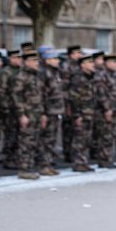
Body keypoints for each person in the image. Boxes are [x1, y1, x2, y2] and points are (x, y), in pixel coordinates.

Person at [11, 49, 44, 180]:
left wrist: (42, 113)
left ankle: (29, 166)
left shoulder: (35, 75)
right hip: (27, 114)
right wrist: (21, 115)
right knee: (25, 142)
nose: (37, 63)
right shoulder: (21, 76)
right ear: (28, 62)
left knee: (33, 141)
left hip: (36, 114)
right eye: (34, 61)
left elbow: (39, 97)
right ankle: (24, 169)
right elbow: (16, 97)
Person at [67, 54, 97, 172]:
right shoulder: (78, 78)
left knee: (86, 139)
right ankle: (78, 163)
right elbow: (74, 99)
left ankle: (83, 161)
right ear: (83, 65)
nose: (92, 65)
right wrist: (77, 115)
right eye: (89, 63)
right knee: (79, 139)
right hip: (82, 113)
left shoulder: (90, 77)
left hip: (89, 112)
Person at [38, 48, 65, 176]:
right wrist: (43, 113)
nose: (57, 61)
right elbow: (41, 95)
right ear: (47, 60)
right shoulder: (44, 73)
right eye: (54, 59)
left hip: (55, 110)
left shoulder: (55, 73)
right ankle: (44, 165)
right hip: (48, 111)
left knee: (52, 139)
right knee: (46, 140)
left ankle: (48, 163)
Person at [93, 54, 116, 169]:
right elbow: (101, 94)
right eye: (113, 62)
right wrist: (107, 109)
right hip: (104, 111)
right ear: (107, 63)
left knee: (110, 135)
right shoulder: (101, 76)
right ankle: (103, 159)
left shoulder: (111, 75)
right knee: (105, 136)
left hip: (112, 109)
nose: (115, 65)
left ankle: (106, 157)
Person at [61, 45, 83, 162]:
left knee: (75, 129)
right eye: (77, 53)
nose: (79, 55)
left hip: (76, 100)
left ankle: (73, 152)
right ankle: (68, 153)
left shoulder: (77, 65)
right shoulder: (67, 66)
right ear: (71, 54)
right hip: (69, 101)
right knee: (68, 128)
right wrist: (67, 104)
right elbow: (64, 87)